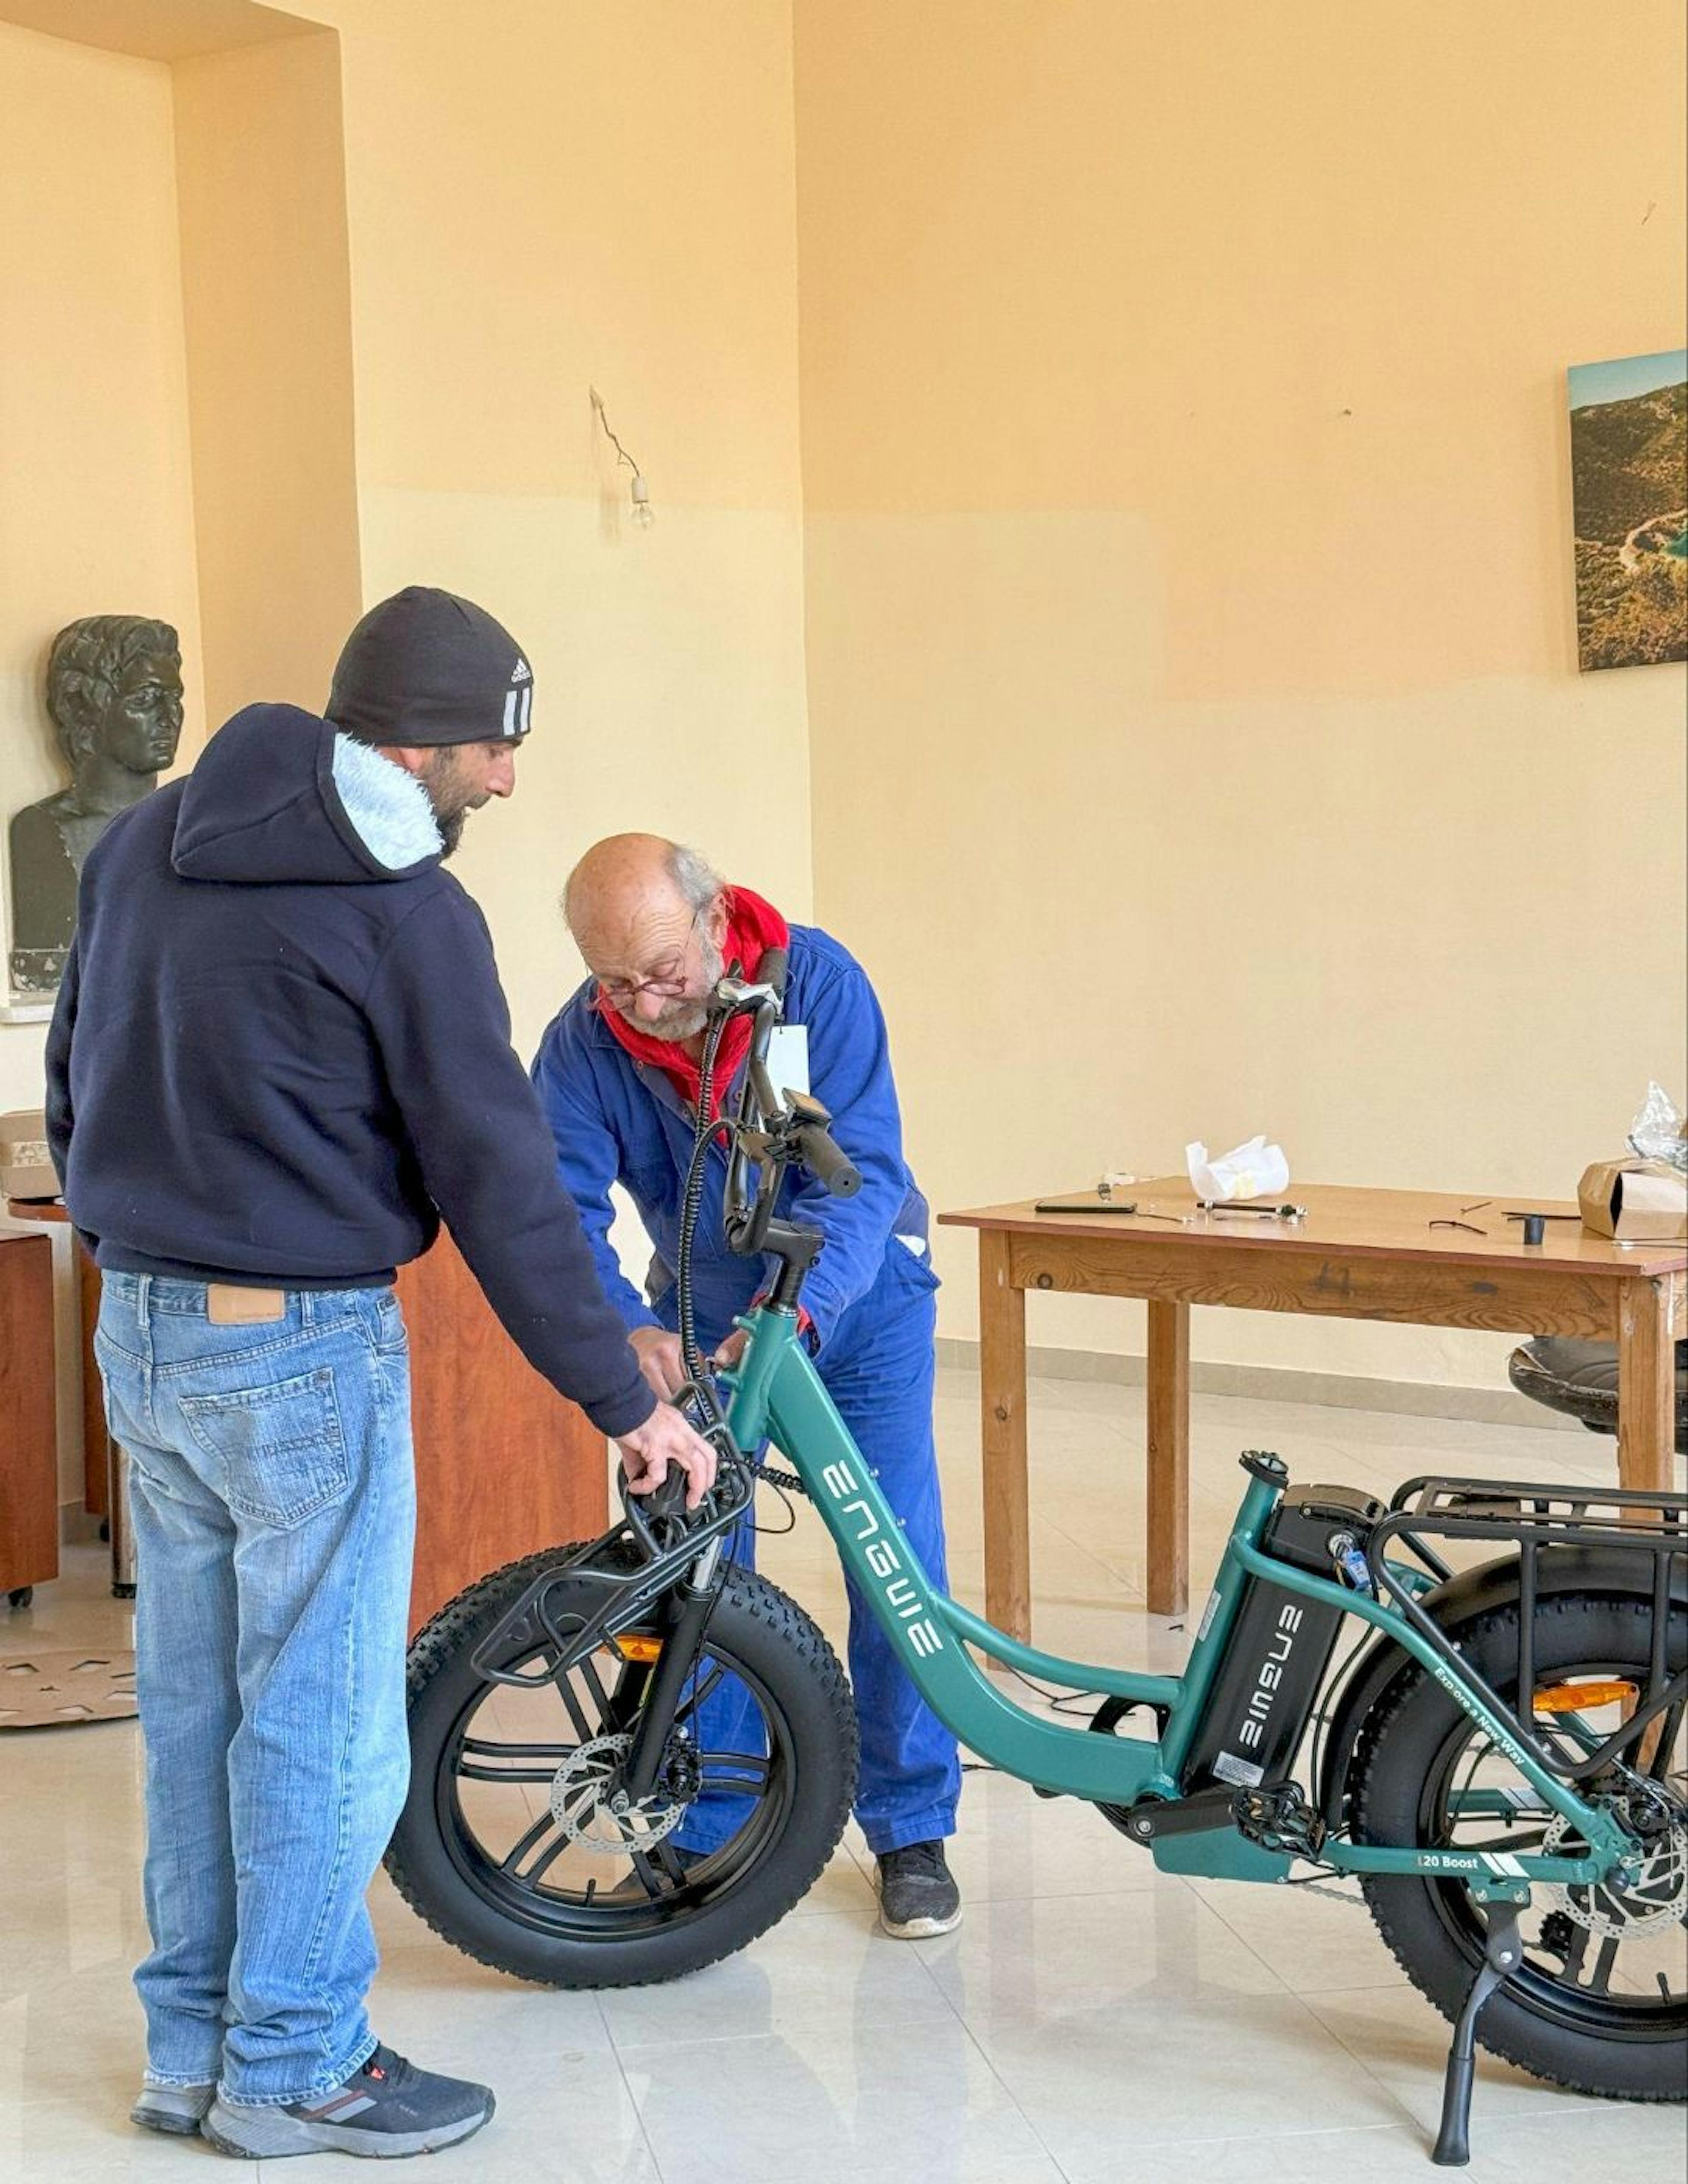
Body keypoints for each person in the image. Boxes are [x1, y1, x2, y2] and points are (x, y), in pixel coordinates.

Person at [45, 589, 715, 2162]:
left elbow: (71, 1072)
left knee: (198, 1707)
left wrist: (132, 1229)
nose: (505, 780)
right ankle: (292, 2058)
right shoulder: (406, 907)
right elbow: (498, 1178)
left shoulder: (141, 846)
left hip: (138, 1330)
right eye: (496, 745)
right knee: (323, 1720)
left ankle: (191, 2045)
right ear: (426, 735)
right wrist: (630, 1400)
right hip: (297, 1349)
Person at [531, 833, 963, 1939]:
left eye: (663, 969)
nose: (641, 998)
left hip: (855, 1306)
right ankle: (714, 1818)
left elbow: (862, 1175)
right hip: (693, 1322)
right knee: (700, 1567)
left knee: (894, 1556)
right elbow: (558, 1209)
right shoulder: (583, 1043)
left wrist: (794, 1320)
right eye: (614, 978)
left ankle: (910, 1825)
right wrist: (629, 1329)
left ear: (716, 919)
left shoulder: (819, 980)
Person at [8, 614, 184, 992]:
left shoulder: (195, 828)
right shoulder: (43, 832)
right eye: (146, 699)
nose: (169, 718)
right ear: (86, 709)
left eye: (175, 699)